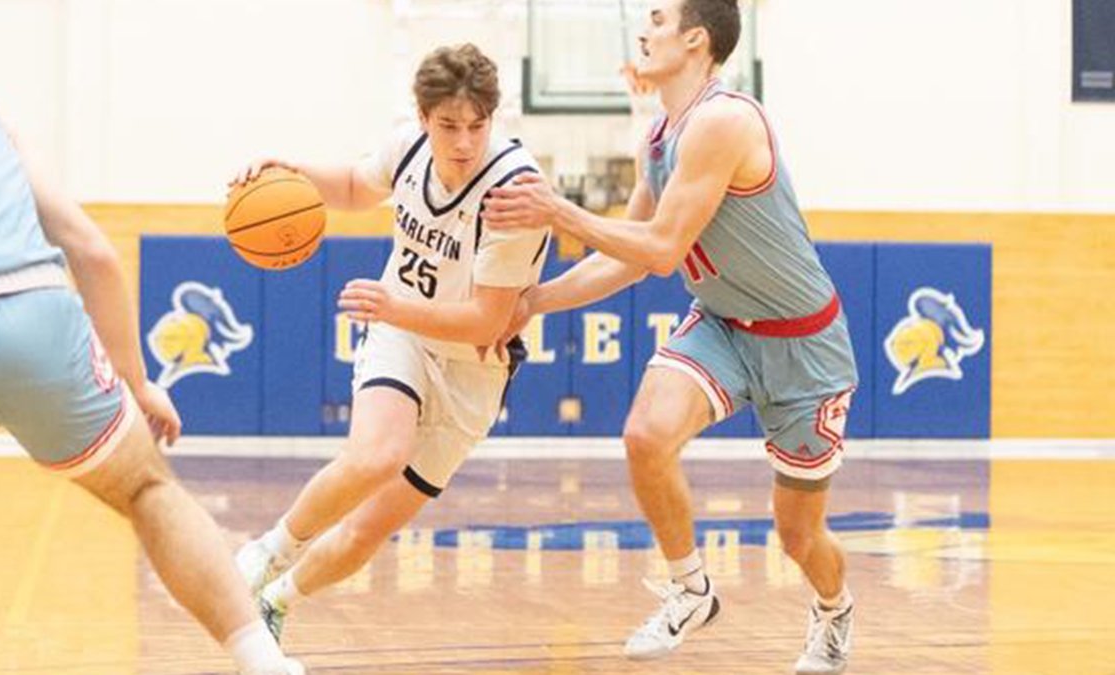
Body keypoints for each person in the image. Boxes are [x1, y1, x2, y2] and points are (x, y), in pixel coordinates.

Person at [482, 1, 858, 673]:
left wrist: (558, 209)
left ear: (695, 39)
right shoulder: (658, 138)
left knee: (799, 537)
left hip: (803, 344)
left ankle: (834, 610)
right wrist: (532, 302)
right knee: (645, 436)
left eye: (657, 18)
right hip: (722, 324)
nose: (644, 30)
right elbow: (627, 258)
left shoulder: (724, 121)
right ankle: (691, 589)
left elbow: (660, 250)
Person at [0, 76, 303, 675]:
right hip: (37, 308)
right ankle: (264, 662)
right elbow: (92, 250)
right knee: (149, 489)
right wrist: (137, 384)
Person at [230, 44, 550, 642]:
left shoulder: (514, 194)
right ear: (423, 117)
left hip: (472, 365)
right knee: (376, 454)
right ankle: (265, 553)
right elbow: (356, 187)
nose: (464, 142)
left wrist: (394, 305)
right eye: (448, 125)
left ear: (493, 118)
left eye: (477, 125)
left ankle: (276, 601)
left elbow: (487, 321)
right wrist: (292, 172)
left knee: (368, 530)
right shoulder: (406, 147)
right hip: (402, 330)